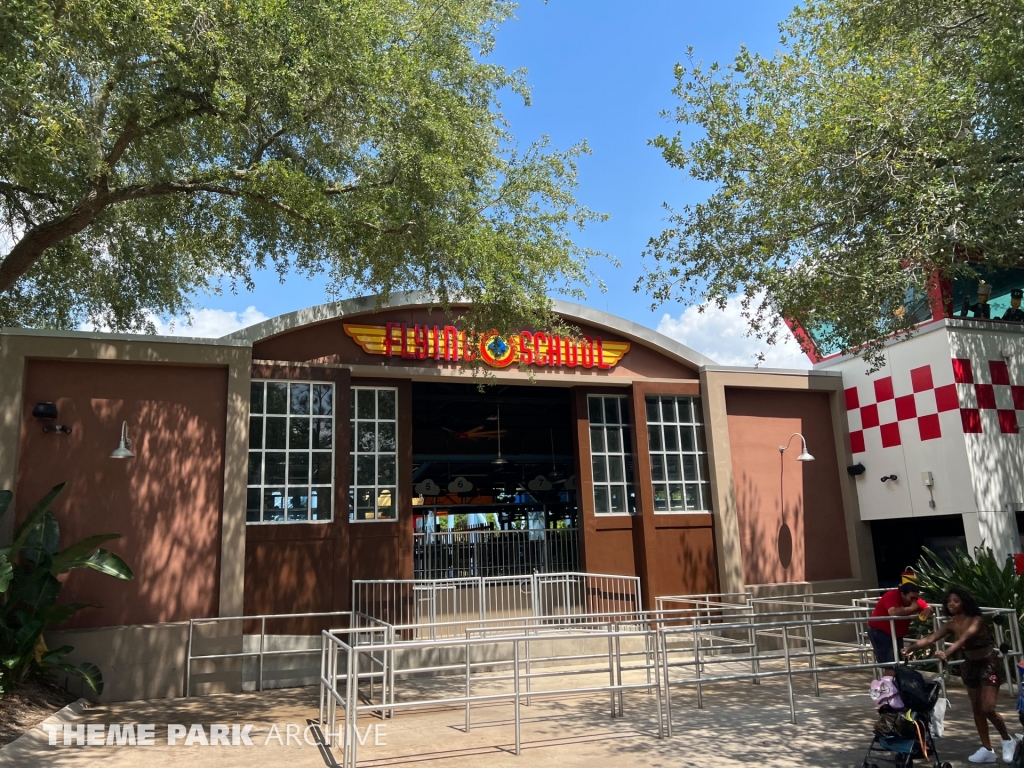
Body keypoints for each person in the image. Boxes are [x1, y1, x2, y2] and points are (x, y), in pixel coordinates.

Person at [903, 586, 1015, 764]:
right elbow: (931, 638)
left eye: (956, 601)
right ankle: (987, 750)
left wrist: (946, 653)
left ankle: (1008, 740)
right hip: (971, 666)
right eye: (949, 601)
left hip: (989, 664)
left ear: (964, 602)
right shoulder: (951, 624)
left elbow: (963, 639)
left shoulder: (976, 620)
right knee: (977, 710)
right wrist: (910, 647)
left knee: (987, 708)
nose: (952, 604)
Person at [867, 582, 933, 671]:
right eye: (911, 598)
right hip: (880, 632)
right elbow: (893, 612)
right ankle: (887, 682)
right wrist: (912, 608)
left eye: (916, 598)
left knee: (900, 660)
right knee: (890, 663)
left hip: (896, 634)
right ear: (902, 594)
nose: (914, 600)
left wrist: (927, 610)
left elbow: (928, 607)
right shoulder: (891, 596)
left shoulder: (915, 601)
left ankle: (897, 682)